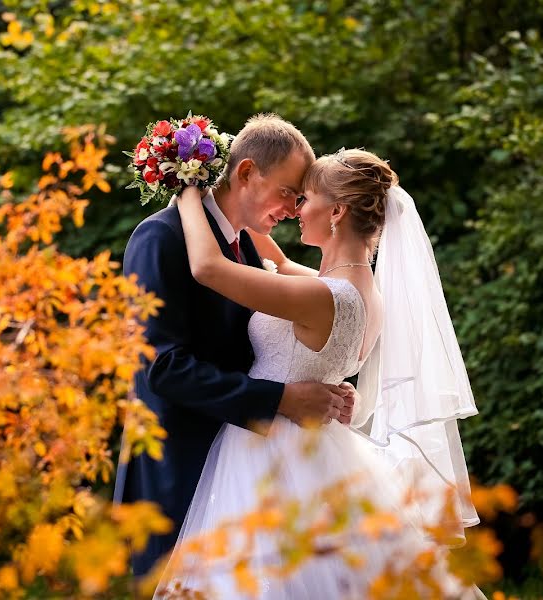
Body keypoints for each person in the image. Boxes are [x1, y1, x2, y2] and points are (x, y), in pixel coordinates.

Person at [159, 148, 482, 598]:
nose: (294, 210)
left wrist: (188, 186)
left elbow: (209, 268)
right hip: (318, 449)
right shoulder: (359, 291)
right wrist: (241, 198)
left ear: (336, 211)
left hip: (273, 456)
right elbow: (278, 262)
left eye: (304, 198)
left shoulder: (323, 296)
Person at [114, 114, 357, 578]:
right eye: (288, 191)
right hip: (176, 470)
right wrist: (281, 399)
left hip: (241, 470)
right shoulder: (161, 237)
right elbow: (161, 367)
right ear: (246, 173)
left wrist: (322, 383)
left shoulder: (246, 246)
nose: (293, 207)